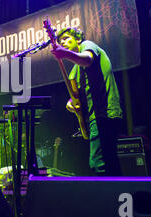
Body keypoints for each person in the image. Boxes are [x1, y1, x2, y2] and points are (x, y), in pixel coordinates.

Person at [50, 27, 123, 176]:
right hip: (92, 118)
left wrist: (65, 54)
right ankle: (121, 197)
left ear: (77, 39)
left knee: (98, 163)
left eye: (66, 38)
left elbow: (87, 59)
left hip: (104, 113)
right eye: (60, 41)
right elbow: (77, 96)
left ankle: (108, 197)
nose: (63, 42)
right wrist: (71, 103)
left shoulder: (87, 46)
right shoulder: (75, 70)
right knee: (110, 164)